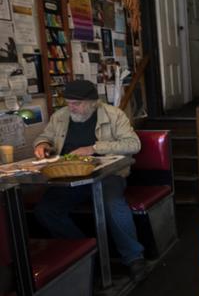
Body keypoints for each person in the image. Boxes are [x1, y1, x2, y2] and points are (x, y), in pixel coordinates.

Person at [32, 80, 147, 281]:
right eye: (68, 102)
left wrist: (94, 148)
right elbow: (45, 136)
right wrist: (43, 144)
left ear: (92, 102)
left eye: (76, 103)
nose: (71, 107)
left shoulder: (113, 115)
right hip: (70, 174)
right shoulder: (60, 116)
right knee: (45, 210)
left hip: (108, 174)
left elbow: (133, 144)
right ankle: (84, 252)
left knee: (113, 204)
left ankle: (134, 257)